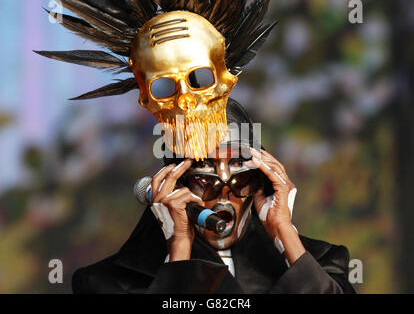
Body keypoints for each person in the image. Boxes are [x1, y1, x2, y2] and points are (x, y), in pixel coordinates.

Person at [72, 99, 356, 294]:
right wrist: (179, 249)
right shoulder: (105, 282)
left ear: (263, 181)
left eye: (240, 177)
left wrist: (285, 233)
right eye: (203, 178)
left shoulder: (319, 262)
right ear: (171, 187)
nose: (223, 192)